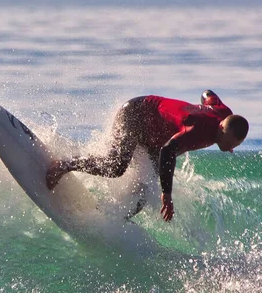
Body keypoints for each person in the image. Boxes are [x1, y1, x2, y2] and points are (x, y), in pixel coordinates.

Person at [46, 90, 249, 222]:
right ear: (222, 126)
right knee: (116, 165)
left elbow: (207, 94)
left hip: (154, 137)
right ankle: (65, 164)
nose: (229, 147)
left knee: (144, 191)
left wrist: (204, 108)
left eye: (233, 145)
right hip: (136, 114)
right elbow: (168, 151)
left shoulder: (223, 113)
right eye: (228, 141)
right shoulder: (196, 129)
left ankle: (111, 220)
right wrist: (167, 194)